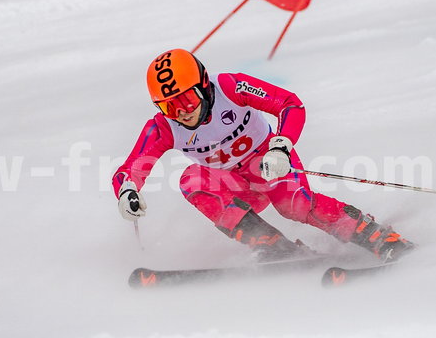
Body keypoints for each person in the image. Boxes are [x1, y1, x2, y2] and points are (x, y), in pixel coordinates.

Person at [112, 48, 414, 262]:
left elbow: (290, 104)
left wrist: (281, 146)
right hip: (236, 186)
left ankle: (376, 236)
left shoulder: (230, 87)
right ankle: (273, 246)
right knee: (191, 180)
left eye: (187, 98)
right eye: (169, 106)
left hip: (270, 165)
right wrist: (127, 191)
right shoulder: (163, 128)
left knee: (295, 206)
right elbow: (129, 170)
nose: (183, 112)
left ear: (204, 84)